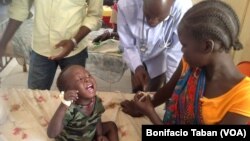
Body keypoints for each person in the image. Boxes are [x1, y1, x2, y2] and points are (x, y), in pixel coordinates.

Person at [121, 0, 250, 124]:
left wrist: (151, 113)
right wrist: (143, 106)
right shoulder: (190, 66)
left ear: (206, 46)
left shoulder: (243, 97)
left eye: (184, 45)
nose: (181, 51)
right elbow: (166, 91)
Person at [0, 0, 103, 90]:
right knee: (36, 96)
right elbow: (20, 8)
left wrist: (74, 41)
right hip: (41, 48)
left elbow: (94, 16)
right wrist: (3, 43)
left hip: (75, 51)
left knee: (75, 96)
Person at [117, 0, 192, 93]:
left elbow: (175, 53)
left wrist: (171, 88)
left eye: (160, 19)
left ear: (172, 4)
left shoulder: (182, 8)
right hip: (136, 52)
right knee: (138, 91)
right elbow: (127, 44)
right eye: (148, 15)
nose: (152, 21)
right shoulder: (126, 4)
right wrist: (137, 66)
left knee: (159, 90)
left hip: (161, 56)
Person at [47, 65, 119, 141]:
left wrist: (99, 135)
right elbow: (51, 133)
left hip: (89, 132)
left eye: (89, 75)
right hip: (72, 138)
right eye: (80, 79)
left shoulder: (96, 100)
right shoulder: (69, 109)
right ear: (69, 91)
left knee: (111, 126)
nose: (87, 79)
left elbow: (96, 118)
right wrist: (63, 104)